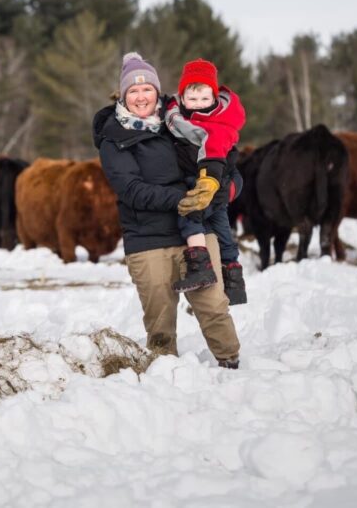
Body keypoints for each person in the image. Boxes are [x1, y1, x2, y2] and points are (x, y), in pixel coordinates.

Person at [93, 52, 241, 368]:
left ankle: (232, 366)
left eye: (147, 89)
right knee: (160, 320)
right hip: (149, 240)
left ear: (158, 91)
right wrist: (181, 199)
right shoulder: (114, 137)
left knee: (214, 305)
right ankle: (165, 378)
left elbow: (229, 164)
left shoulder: (183, 121)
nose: (141, 96)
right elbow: (130, 190)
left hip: (199, 232)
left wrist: (221, 190)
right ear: (122, 95)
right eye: (133, 90)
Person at [164, 58, 248, 305]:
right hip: (207, 182)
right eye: (192, 99)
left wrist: (212, 183)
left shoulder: (217, 125)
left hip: (207, 181)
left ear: (214, 98)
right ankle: (233, 280)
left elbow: (213, 155)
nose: (199, 105)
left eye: (204, 99)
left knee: (190, 213)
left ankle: (200, 265)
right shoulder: (177, 118)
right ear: (182, 99)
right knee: (222, 230)